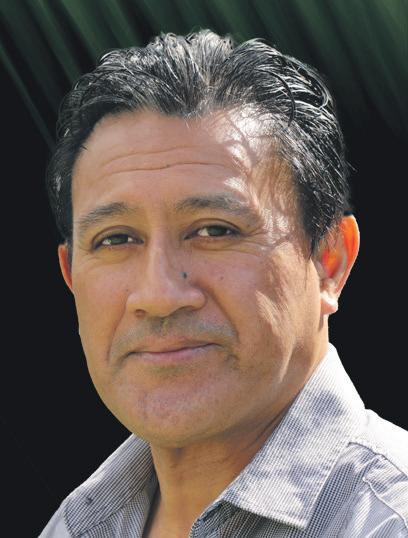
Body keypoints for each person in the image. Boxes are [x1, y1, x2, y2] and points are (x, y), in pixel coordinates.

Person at [40, 30, 407, 537]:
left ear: (330, 262)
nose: (159, 296)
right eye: (116, 239)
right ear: (71, 276)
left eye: (214, 231)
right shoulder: (76, 525)